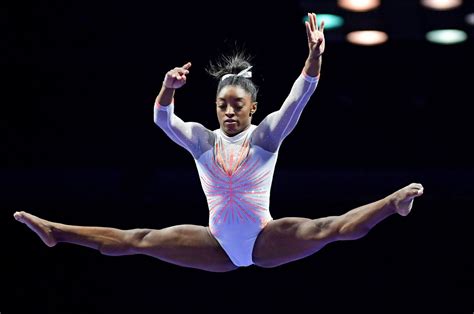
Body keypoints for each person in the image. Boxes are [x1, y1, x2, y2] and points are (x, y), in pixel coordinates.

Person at [14, 13, 423, 272]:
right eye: (222, 105)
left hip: (265, 239)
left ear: (252, 107)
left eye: (237, 105)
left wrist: (314, 57)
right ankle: (56, 231)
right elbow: (162, 118)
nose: (228, 112)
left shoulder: (266, 136)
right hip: (214, 244)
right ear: (214, 106)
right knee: (136, 240)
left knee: (326, 229)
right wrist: (167, 88)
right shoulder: (201, 140)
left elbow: (300, 95)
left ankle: (392, 203)